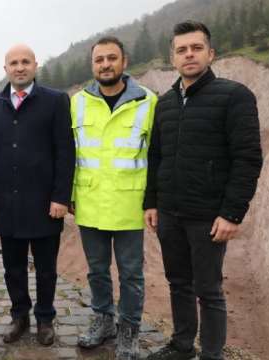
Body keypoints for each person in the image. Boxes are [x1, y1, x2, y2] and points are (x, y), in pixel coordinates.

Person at [144, 21, 262, 360]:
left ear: (211, 53)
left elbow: (248, 158)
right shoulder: (164, 103)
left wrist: (232, 213)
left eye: (196, 48)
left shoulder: (234, 96)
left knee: (208, 290)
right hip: (169, 213)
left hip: (209, 216)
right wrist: (152, 203)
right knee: (178, 282)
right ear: (173, 58)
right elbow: (157, 156)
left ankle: (212, 354)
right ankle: (182, 345)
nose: (189, 54)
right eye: (181, 50)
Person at [71, 36, 157, 360]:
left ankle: (129, 330)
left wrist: (152, 201)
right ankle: (103, 320)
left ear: (124, 61)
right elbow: (71, 153)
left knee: (131, 274)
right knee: (96, 270)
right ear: (92, 65)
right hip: (90, 203)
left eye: (111, 58)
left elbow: (156, 155)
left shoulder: (148, 102)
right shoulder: (77, 102)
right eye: (99, 59)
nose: (105, 64)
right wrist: (68, 196)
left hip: (128, 206)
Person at [0, 44, 75, 346]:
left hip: (45, 203)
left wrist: (61, 197)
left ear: (35, 65)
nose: (19, 67)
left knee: (46, 269)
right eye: (13, 63)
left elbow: (65, 151)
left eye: (25, 62)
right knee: (13, 268)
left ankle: (45, 319)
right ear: (5, 68)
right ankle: (19, 316)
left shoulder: (56, 101)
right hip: (7, 203)